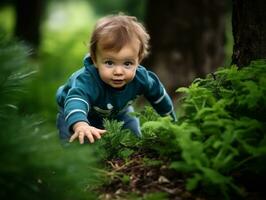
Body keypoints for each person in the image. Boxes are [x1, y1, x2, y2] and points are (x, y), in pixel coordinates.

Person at [56, 13, 177, 144]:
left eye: (127, 63)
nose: (118, 72)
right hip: (77, 112)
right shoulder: (86, 80)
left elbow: (158, 95)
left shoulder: (142, 78)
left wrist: (171, 122)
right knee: (75, 142)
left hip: (120, 113)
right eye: (109, 63)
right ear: (95, 60)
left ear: (138, 60)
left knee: (134, 138)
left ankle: (130, 156)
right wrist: (80, 125)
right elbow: (76, 100)